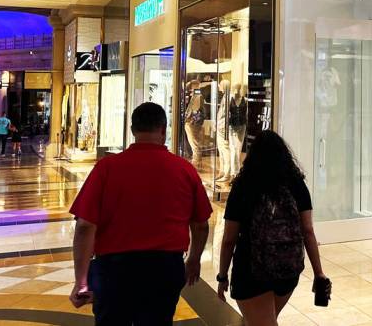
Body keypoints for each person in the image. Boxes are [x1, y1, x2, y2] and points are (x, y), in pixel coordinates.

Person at [69, 102, 211, 326]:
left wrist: (81, 280)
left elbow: (85, 226)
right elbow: (201, 224)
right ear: (163, 130)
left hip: (114, 270)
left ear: (133, 130)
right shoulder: (184, 169)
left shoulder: (106, 168)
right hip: (164, 268)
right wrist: (193, 259)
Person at [216, 130, 330, 326]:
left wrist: (222, 275)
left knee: (262, 322)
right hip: (287, 270)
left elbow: (229, 240)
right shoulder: (296, 184)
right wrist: (319, 273)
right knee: (263, 320)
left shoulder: (244, 186)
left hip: (251, 271)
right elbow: (308, 231)